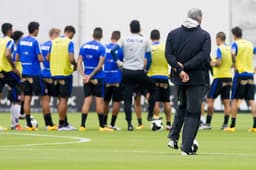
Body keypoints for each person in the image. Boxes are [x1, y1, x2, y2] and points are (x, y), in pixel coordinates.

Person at [165, 8, 211, 155]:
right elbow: (204, 56)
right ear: (200, 19)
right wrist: (186, 67)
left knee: (181, 106)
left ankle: (173, 137)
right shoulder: (204, 35)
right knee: (193, 112)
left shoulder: (173, 34)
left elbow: (169, 55)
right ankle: (186, 147)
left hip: (178, 78)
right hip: (196, 79)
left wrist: (179, 70)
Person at [111, 20, 157, 131]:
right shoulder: (145, 40)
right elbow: (149, 58)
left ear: (130, 28)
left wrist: (119, 63)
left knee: (127, 99)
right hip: (139, 71)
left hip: (127, 71)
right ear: (139, 28)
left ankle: (129, 124)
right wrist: (146, 69)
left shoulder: (124, 39)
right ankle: (150, 114)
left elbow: (113, 51)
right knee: (154, 89)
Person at [78, 27, 113, 132]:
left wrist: (84, 75)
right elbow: (100, 65)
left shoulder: (84, 46)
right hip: (98, 77)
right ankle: (101, 126)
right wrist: (91, 76)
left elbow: (79, 62)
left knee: (87, 100)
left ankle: (82, 126)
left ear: (93, 35)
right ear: (101, 36)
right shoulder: (102, 48)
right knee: (99, 101)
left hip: (86, 78)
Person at [224, 27, 256, 132]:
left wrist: (234, 64)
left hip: (240, 74)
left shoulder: (235, 44)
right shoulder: (250, 44)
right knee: (251, 100)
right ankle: (255, 126)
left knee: (234, 99)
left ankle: (232, 126)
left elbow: (233, 54)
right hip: (250, 74)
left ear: (234, 35)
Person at [200, 32, 232, 130]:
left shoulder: (219, 48)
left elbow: (219, 62)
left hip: (219, 77)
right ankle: (225, 124)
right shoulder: (229, 48)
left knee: (210, 100)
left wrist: (211, 63)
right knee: (226, 102)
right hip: (229, 77)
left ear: (218, 39)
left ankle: (208, 124)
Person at [16, 21, 44, 131]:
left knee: (27, 98)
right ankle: (48, 122)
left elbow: (17, 57)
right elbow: (40, 58)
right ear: (36, 30)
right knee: (44, 97)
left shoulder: (21, 41)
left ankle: (28, 124)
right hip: (35, 73)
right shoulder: (35, 41)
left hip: (25, 73)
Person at [49, 25, 77, 131]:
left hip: (54, 73)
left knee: (60, 100)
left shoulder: (54, 41)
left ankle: (65, 123)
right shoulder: (69, 42)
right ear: (70, 33)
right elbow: (71, 58)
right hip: (65, 74)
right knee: (64, 100)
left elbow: (48, 57)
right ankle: (61, 124)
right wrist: (75, 64)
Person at [148, 29, 172, 130]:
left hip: (152, 76)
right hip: (164, 76)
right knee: (166, 101)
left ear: (151, 37)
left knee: (155, 100)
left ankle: (156, 121)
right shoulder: (164, 47)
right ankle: (169, 124)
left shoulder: (149, 48)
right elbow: (171, 60)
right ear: (159, 37)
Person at [40, 28, 61, 130]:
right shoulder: (55, 45)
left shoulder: (42, 45)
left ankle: (47, 124)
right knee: (59, 99)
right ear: (55, 34)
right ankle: (56, 123)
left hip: (43, 73)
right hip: (52, 74)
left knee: (45, 99)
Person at [0, 23, 20, 131]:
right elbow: (8, 54)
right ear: (9, 30)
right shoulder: (10, 41)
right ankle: (15, 124)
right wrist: (14, 67)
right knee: (19, 93)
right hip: (6, 70)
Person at [103, 31, 123, 131]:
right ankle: (112, 124)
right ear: (119, 38)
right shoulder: (120, 48)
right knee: (117, 101)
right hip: (117, 77)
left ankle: (104, 123)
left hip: (106, 76)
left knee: (105, 101)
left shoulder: (104, 47)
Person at [8, 30, 24, 130]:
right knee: (18, 100)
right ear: (18, 38)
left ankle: (14, 124)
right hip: (16, 76)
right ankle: (16, 124)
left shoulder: (15, 47)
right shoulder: (14, 48)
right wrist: (17, 72)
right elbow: (13, 61)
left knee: (16, 101)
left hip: (15, 76)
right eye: (22, 38)